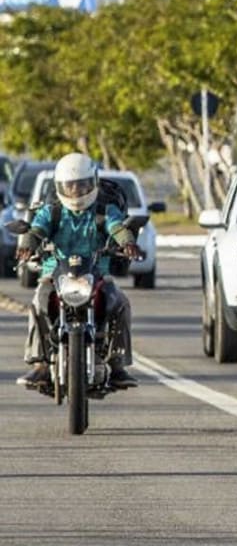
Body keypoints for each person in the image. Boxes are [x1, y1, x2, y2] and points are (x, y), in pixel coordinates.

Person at [15, 153, 140, 389]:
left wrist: (127, 242)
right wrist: (27, 245)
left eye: (81, 185)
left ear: (92, 183)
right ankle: (40, 365)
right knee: (38, 303)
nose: (76, 191)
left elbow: (116, 227)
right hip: (56, 273)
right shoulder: (51, 211)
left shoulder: (105, 210)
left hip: (97, 272)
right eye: (70, 186)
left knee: (120, 303)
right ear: (60, 187)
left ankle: (118, 365)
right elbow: (37, 229)